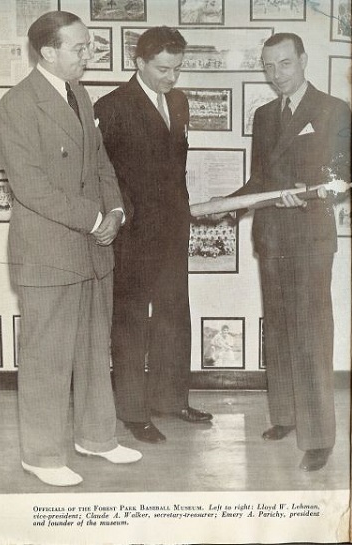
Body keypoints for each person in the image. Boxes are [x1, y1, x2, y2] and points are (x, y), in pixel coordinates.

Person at [0, 11, 142, 487]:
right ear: (48, 52)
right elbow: (30, 187)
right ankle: (41, 454)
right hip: (49, 251)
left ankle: (96, 438)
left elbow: (101, 165)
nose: (89, 55)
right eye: (80, 48)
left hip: (93, 250)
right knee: (47, 356)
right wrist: (95, 218)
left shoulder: (79, 94)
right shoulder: (17, 105)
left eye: (89, 46)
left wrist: (115, 211)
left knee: (95, 350)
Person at [207, 33, 351, 471]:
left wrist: (308, 196)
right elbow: (259, 182)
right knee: (282, 331)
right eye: (269, 66)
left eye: (285, 64)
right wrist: (225, 209)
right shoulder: (265, 115)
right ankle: (286, 417)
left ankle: (319, 437)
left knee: (311, 334)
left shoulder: (333, 110)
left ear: (303, 60)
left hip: (309, 237)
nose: (276, 74)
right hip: (270, 237)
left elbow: (342, 176)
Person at [94, 26, 212, 444]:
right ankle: (132, 410)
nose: (171, 78)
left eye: (177, 69)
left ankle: (170, 399)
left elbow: (174, 167)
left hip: (174, 229)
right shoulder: (111, 106)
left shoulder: (178, 103)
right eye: (163, 69)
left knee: (174, 315)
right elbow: (102, 175)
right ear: (139, 62)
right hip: (133, 235)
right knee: (130, 322)